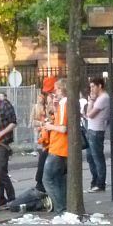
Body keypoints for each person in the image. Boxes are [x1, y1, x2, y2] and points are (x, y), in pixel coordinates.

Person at [42, 78, 69, 212]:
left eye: (57, 89)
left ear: (63, 90)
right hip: (61, 147)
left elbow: (63, 128)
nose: (55, 92)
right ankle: (63, 206)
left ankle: (60, 207)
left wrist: (50, 126)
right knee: (59, 179)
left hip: (58, 147)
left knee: (47, 179)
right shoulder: (63, 104)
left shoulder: (64, 104)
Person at [85, 77, 110, 192]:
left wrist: (91, 101)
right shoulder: (98, 98)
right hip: (91, 130)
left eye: (93, 86)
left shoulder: (103, 98)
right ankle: (94, 181)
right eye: (90, 86)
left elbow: (90, 114)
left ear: (100, 86)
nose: (91, 89)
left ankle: (100, 183)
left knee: (97, 158)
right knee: (90, 157)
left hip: (96, 131)